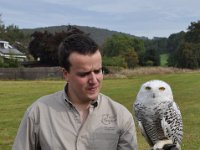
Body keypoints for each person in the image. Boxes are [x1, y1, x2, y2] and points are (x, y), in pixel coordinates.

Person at [12, 27, 138, 150]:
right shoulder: (38, 113)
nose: (94, 80)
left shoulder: (121, 116)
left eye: (98, 71)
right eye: (84, 74)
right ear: (65, 74)